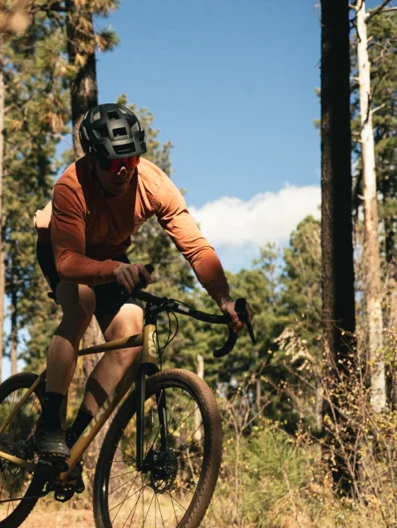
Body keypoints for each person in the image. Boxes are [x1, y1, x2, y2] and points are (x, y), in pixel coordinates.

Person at [32, 102, 253, 460]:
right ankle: (50, 426)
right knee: (82, 305)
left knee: (132, 333)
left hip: (111, 257)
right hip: (65, 251)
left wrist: (224, 300)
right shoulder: (71, 186)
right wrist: (115, 271)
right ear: (92, 160)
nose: (122, 171)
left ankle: (74, 437)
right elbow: (67, 262)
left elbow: (194, 245)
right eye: (111, 163)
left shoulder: (153, 184)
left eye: (130, 161)